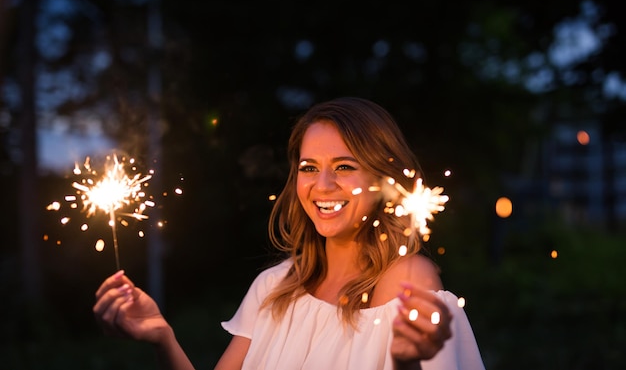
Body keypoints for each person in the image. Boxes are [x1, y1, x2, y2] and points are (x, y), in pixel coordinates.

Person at [93, 97, 486, 370]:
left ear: (385, 181)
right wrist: (163, 338)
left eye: (345, 167)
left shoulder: (417, 302)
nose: (323, 185)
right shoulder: (273, 289)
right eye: (309, 167)